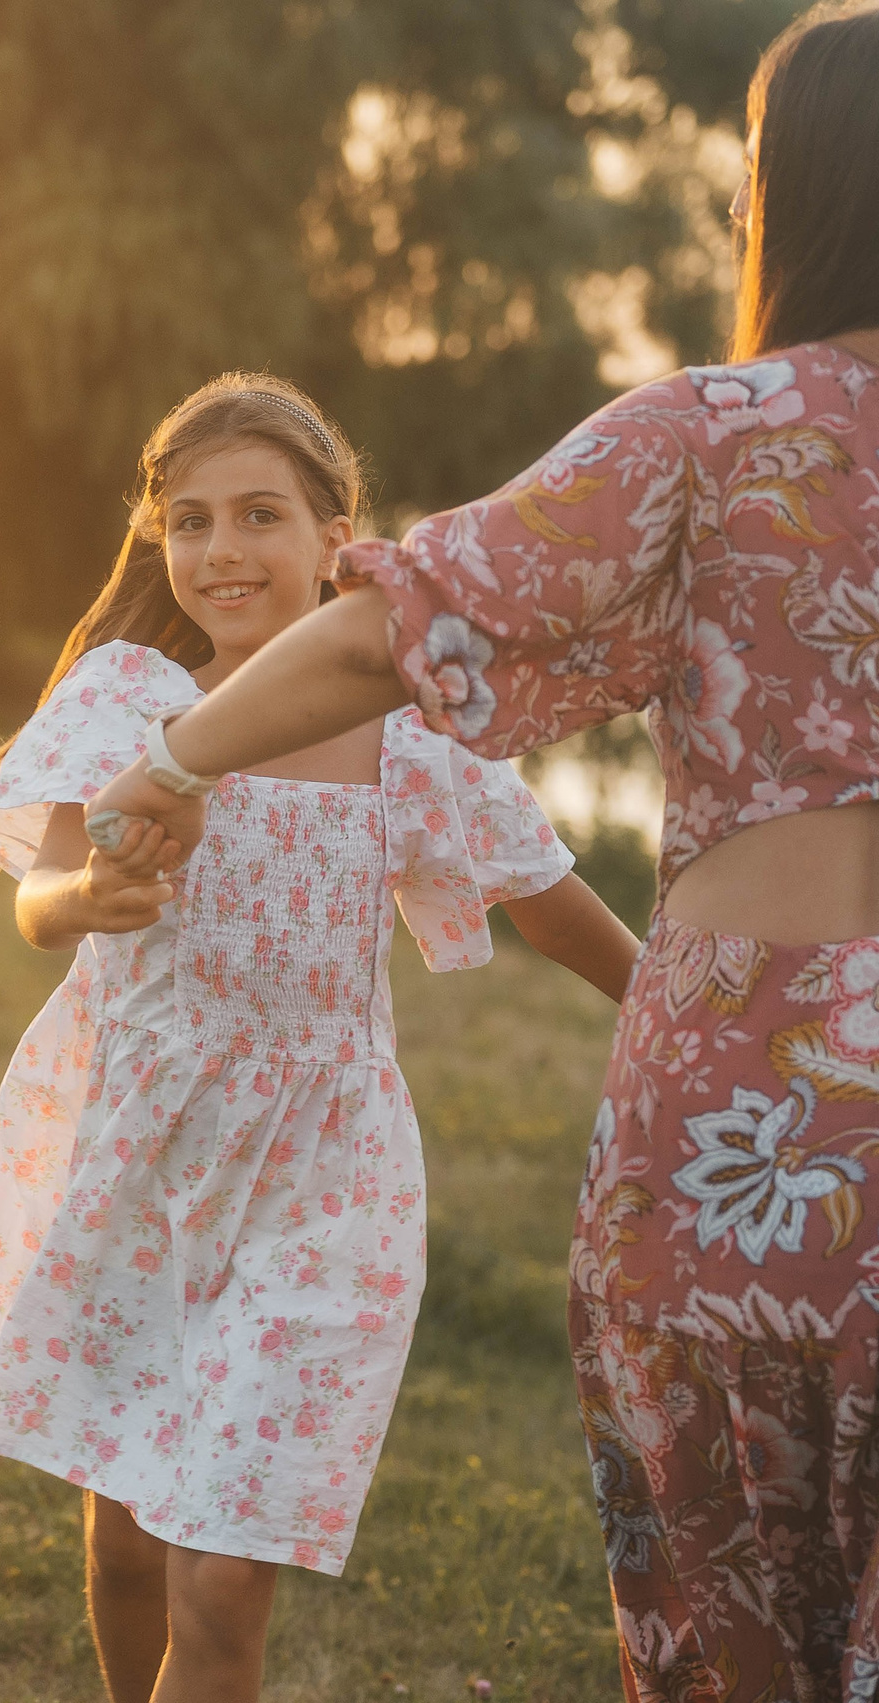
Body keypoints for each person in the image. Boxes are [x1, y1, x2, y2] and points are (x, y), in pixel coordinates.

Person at [82, 7, 879, 1697]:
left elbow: (397, 628)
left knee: (736, 1614)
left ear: (784, 196)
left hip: (742, 1093)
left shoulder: (711, 432)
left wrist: (168, 761)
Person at [0, 373, 637, 1703]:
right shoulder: (125, 701)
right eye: (191, 521)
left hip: (327, 1188)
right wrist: (84, 899)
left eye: (261, 514)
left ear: (336, 540)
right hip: (144, 1165)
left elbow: (548, 901)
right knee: (129, 1547)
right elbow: (40, 896)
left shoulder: (407, 734)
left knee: (219, 1588)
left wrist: (689, 1015)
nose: (224, 549)